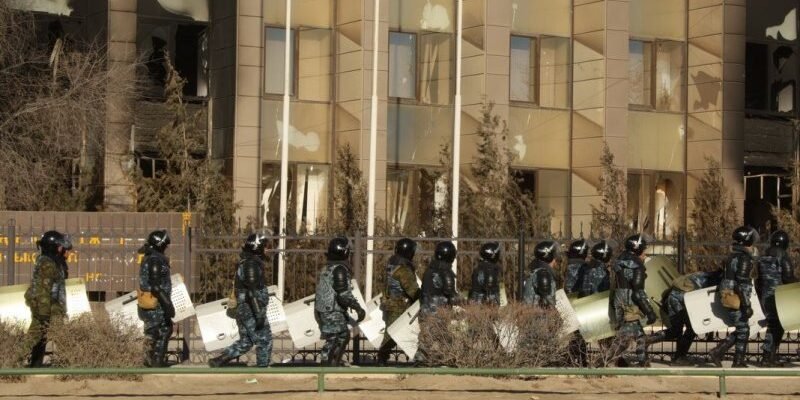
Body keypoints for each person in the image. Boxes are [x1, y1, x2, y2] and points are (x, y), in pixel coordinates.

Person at [209, 234, 273, 368]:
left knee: (246, 342)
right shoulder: (251, 265)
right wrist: (259, 314)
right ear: (257, 247)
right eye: (265, 246)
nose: (267, 249)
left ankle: (219, 361)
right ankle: (263, 370)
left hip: (245, 309)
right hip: (250, 309)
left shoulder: (249, 262)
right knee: (264, 340)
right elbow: (251, 292)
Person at [645, 269, 722, 365]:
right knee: (690, 329)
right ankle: (679, 357)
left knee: (677, 331)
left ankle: (647, 340)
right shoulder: (716, 279)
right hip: (682, 299)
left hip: (677, 297)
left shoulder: (709, 275)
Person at [708, 226, 758, 368]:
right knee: (743, 329)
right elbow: (741, 282)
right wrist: (746, 305)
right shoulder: (744, 258)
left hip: (729, 295)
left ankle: (720, 353)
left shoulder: (733, 256)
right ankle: (734, 360)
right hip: (735, 297)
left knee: (742, 328)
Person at [605, 234, 657, 367]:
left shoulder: (620, 260)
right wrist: (649, 312)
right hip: (629, 305)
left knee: (638, 334)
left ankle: (643, 363)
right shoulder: (636, 265)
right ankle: (604, 363)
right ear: (637, 249)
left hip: (619, 301)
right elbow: (638, 293)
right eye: (643, 250)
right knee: (624, 337)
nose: (645, 253)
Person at [23, 230, 72, 368]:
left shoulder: (53, 262)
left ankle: (35, 366)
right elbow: (43, 291)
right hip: (47, 309)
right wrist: (44, 315)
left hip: (51, 308)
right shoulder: (47, 264)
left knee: (39, 339)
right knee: (38, 338)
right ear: (54, 247)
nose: (64, 251)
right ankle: (10, 364)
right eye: (61, 247)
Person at [314, 237, 365, 366]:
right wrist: (358, 308)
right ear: (344, 252)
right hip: (332, 310)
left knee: (342, 336)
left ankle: (333, 363)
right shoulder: (339, 269)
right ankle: (326, 366)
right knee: (335, 338)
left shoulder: (328, 267)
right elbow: (343, 295)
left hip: (326, 308)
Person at [376, 238, 420, 366]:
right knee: (393, 335)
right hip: (399, 307)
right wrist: (423, 296)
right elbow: (412, 290)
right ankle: (382, 359)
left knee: (393, 333)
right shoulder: (403, 270)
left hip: (389, 305)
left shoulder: (391, 265)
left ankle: (382, 358)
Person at [568, 240, 612, 366]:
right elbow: (598, 291)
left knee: (580, 337)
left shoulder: (589, 268)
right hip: (596, 308)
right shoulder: (599, 270)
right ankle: (606, 361)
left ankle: (577, 360)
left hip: (586, 306)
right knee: (604, 339)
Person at [756, 230, 796, 367]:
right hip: (780, 297)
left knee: (774, 325)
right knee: (776, 327)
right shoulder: (783, 256)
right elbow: (788, 277)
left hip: (765, 296)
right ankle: (767, 358)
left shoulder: (763, 257)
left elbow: (759, 279)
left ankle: (770, 357)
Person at [137, 229, 175, 368]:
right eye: (165, 245)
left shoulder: (154, 257)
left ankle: (156, 361)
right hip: (155, 304)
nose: (166, 248)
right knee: (153, 332)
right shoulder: (154, 259)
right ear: (159, 244)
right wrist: (168, 304)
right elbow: (155, 286)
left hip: (157, 303)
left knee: (164, 330)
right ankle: (147, 361)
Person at [420, 241, 460, 316]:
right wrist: (464, 301)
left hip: (424, 310)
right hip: (438, 313)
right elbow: (451, 295)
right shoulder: (446, 272)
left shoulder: (429, 270)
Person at [522, 241, 558, 308]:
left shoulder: (535, 269)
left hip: (529, 311)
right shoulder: (543, 275)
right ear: (548, 256)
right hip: (537, 313)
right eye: (554, 256)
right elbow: (548, 304)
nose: (555, 259)